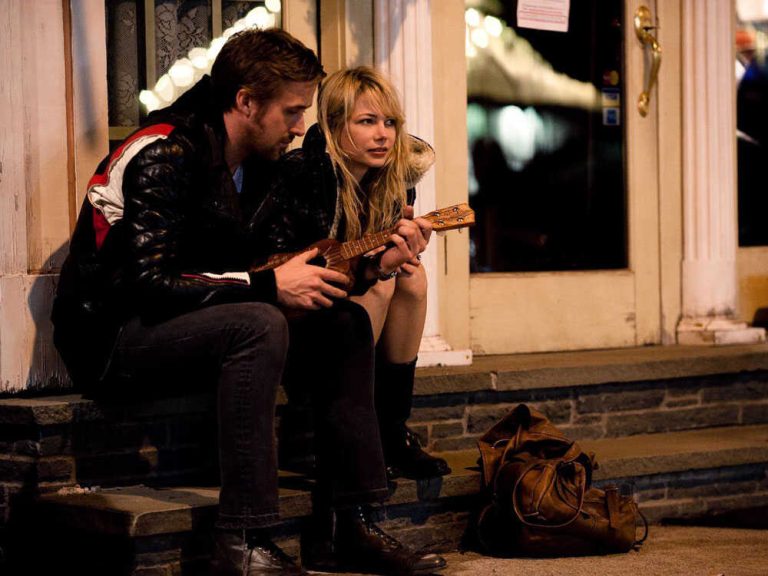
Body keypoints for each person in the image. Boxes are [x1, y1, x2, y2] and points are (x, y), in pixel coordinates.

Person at [51, 29, 445, 576]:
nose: (301, 126)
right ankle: (242, 536)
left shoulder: (261, 164)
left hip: (201, 318)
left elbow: (279, 264)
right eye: (292, 111)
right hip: (115, 335)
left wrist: (373, 268)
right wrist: (266, 287)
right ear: (246, 102)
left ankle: (348, 524)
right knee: (259, 322)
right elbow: (148, 284)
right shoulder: (165, 152)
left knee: (345, 322)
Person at [252, 66, 451, 481]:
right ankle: (342, 434)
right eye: (367, 122)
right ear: (334, 125)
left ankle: (391, 430)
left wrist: (398, 253)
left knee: (411, 278)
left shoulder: (393, 183)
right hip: (298, 317)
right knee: (379, 288)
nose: (383, 135)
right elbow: (290, 265)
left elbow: (379, 262)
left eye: (390, 122)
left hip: (348, 306)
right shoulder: (303, 174)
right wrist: (374, 269)